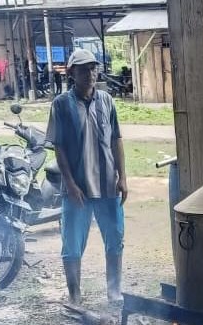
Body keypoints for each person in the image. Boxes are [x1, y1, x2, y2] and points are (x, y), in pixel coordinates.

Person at [45, 48, 128, 304]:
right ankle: (75, 296)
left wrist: (123, 177)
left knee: (115, 238)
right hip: (77, 189)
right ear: (72, 73)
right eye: (83, 69)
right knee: (72, 244)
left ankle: (114, 291)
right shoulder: (60, 104)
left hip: (107, 186)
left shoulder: (106, 100)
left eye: (93, 68)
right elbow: (58, 147)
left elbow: (116, 139)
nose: (90, 74)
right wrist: (69, 184)